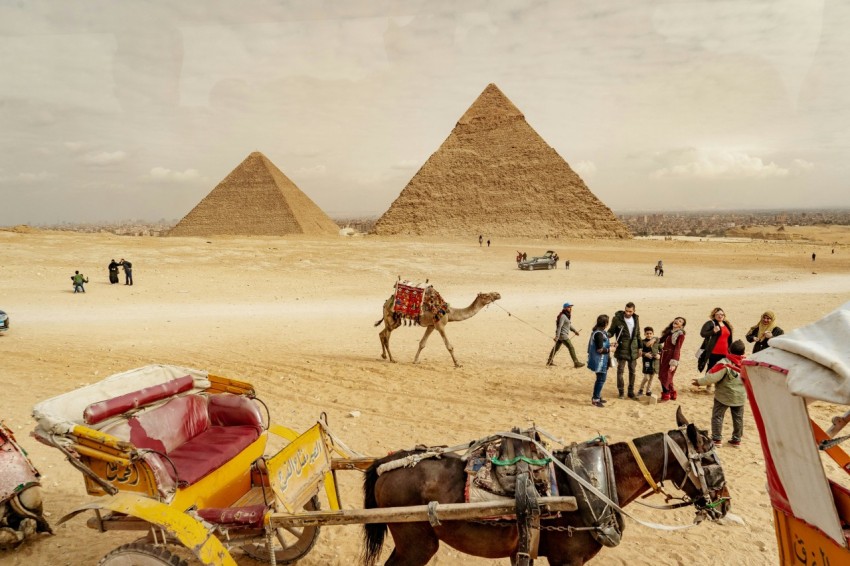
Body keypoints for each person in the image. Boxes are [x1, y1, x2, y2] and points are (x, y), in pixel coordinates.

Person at [692, 339, 747, 448]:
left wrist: (699, 382)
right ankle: (736, 439)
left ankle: (717, 439)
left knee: (718, 416)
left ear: (729, 350)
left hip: (723, 396)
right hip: (740, 396)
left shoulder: (724, 363)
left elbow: (713, 377)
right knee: (738, 418)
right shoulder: (746, 363)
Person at [607, 302, 641, 399]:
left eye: (630, 311)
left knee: (632, 371)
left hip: (633, 349)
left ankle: (631, 392)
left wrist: (640, 347)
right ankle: (621, 392)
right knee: (620, 371)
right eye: (626, 310)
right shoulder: (617, 319)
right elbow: (611, 331)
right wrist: (604, 335)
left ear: (634, 311)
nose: (628, 313)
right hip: (622, 348)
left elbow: (638, 333)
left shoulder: (636, 318)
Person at [587, 314, 616, 408]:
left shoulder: (599, 332)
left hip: (601, 360)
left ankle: (598, 397)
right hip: (600, 361)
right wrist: (610, 350)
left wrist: (610, 345)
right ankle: (595, 399)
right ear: (606, 323)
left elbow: (601, 344)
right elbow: (599, 349)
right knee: (601, 379)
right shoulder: (599, 333)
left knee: (600, 379)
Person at [546, 302, 584, 368]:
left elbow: (568, 325)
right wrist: (557, 336)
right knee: (571, 347)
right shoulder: (563, 316)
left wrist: (575, 331)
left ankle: (549, 361)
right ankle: (576, 363)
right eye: (569, 307)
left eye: (571, 307)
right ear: (565, 308)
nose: (570, 308)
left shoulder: (566, 315)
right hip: (563, 336)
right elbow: (559, 326)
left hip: (561, 336)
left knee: (556, 348)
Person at [658, 317, 687, 401]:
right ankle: (672, 393)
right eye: (676, 319)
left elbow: (677, 348)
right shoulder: (669, 332)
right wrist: (653, 339)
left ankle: (666, 394)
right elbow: (661, 340)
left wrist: (674, 363)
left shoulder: (680, 335)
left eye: (680, 321)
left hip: (671, 356)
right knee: (667, 376)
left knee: (665, 376)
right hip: (664, 355)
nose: (677, 321)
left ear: (681, 326)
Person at [698, 307, 734, 374]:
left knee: (723, 369)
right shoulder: (710, 323)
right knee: (711, 368)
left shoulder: (726, 324)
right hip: (714, 351)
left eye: (722, 314)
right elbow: (702, 333)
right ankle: (708, 383)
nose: (720, 316)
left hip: (725, 352)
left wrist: (731, 350)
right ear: (714, 315)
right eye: (717, 314)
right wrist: (713, 331)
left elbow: (729, 339)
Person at [637, 326, 660, 397]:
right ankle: (641, 389)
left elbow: (662, 350)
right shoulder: (642, 342)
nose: (649, 335)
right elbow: (639, 352)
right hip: (646, 362)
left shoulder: (656, 342)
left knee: (652, 378)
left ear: (653, 334)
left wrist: (659, 355)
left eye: (650, 333)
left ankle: (648, 390)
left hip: (654, 363)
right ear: (644, 334)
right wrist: (645, 354)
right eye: (647, 333)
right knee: (646, 377)